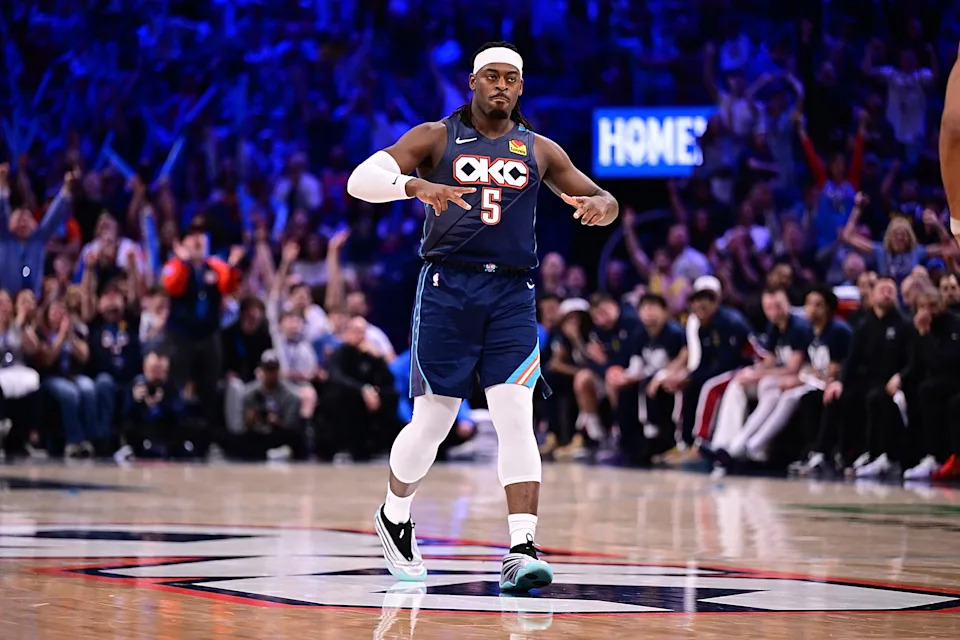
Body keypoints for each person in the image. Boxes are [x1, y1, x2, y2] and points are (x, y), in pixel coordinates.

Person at [346, 41, 618, 591]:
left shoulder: (539, 149)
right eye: (490, 76)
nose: (501, 86)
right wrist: (414, 185)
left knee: (516, 415)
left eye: (510, 79)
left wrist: (603, 206)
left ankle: (521, 547)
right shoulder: (435, 136)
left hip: (513, 292)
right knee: (434, 422)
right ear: (472, 82)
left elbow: (601, 196)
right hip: (448, 286)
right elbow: (360, 181)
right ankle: (394, 514)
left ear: (520, 88)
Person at [708, 288, 811, 472]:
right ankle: (723, 443)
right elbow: (770, 360)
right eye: (769, 307)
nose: (774, 311)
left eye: (778, 306)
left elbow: (792, 368)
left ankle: (746, 446)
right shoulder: (774, 327)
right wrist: (752, 371)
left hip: (800, 377)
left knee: (768, 385)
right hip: (779, 377)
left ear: (788, 304)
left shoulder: (799, 328)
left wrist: (759, 375)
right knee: (737, 383)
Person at [161, 218, 245, 428]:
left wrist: (234, 265)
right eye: (192, 235)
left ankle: (210, 437)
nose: (198, 240)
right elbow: (173, 287)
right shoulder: (174, 266)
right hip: (181, 337)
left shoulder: (215, 266)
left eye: (201, 235)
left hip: (208, 336)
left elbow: (229, 286)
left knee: (209, 387)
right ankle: (176, 433)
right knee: (178, 384)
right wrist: (184, 262)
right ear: (181, 243)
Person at [606, 293, 687, 465]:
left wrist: (660, 377)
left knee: (657, 387)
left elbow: (682, 361)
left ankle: (666, 442)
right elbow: (636, 366)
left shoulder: (674, 333)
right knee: (624, 389)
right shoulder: (639, 334)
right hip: (646, 379)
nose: (649, 312)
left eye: (654, 307)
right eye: (645, 307)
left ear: (665, 311)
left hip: (669, 379)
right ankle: (628, 444)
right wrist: (623, 376)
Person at [894, 287, 960, 479]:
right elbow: (914, 362)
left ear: (942, 304)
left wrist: (925, 334)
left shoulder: (955, 325)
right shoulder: (919, 327)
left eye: (932, 305)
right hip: (935, 382)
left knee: (929, 391)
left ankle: (937, 456)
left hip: (954, 378)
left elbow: (943, 363)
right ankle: (906, 457)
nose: (927, 311)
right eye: (922, 306)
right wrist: (900, 377)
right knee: (909, 391)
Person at [0, 165, 78, 297]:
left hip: (32, 300)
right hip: (3, 300)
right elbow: (1, 213)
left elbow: (54, 217)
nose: (23, 223)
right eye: (19, 219)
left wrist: (66, 188)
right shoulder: (5, 237)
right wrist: (1, 186)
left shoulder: (38, 240)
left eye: (27, 219)